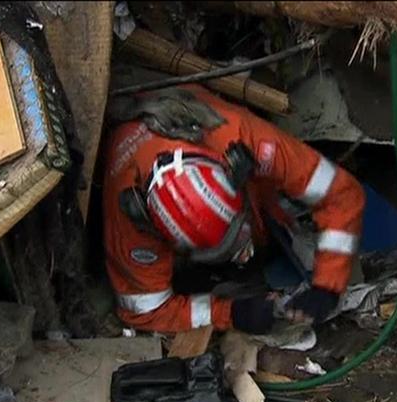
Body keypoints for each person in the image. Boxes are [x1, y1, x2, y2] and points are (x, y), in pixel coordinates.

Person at [102, 84, 365, 335]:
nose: (242, 254)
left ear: (234, 170)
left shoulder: (242, 137)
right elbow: (145, 311)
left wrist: (328, 284)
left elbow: (341, 193)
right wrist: (230, 313)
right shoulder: (129, 220)